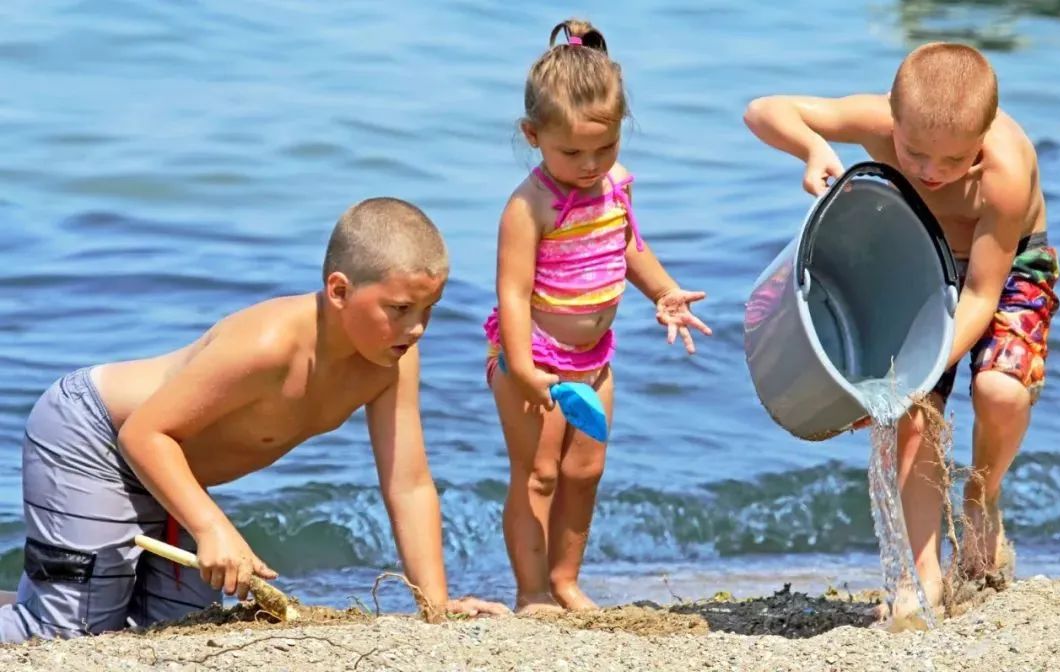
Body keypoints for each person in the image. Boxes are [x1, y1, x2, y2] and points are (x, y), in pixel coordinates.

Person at [0, 197, 508, 643]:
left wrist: (435, 607)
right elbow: (144, 432)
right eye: (399, 308)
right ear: (338, 290)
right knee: (70, 634)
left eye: (429, 309)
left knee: (178, 634)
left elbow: (408, 483)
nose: (417, 328)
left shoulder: (393, 361)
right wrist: (212, 527)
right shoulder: (269, 344)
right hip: (92, 437)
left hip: (168, 471)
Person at [744, 42, 1060, 618]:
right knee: (912, 419)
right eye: (914, 154)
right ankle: (921, 580)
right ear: (893, 115)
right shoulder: (879, 122)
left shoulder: (1005, 173)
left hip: (1008, 266)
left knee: (1000, 390)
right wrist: (814, 148)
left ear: (984, 136)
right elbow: (764, 110)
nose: (930, 173)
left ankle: (982, 496)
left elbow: (982, 296)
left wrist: (920, 371)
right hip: (918, 257)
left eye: (953, 161)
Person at [486, 18, 712, 615]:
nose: (589, 164)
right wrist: (521, 366)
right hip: (534, 357)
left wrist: (663, 292)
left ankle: (565, 580)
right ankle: (532, 591)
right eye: (572, 152)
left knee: (584, 470)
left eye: (604, 147)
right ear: (532, 135)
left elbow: (630, 248)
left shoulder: (614, 186)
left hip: (595, 358)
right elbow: (512, 293)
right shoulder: (528, 206)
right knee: (538, 473)